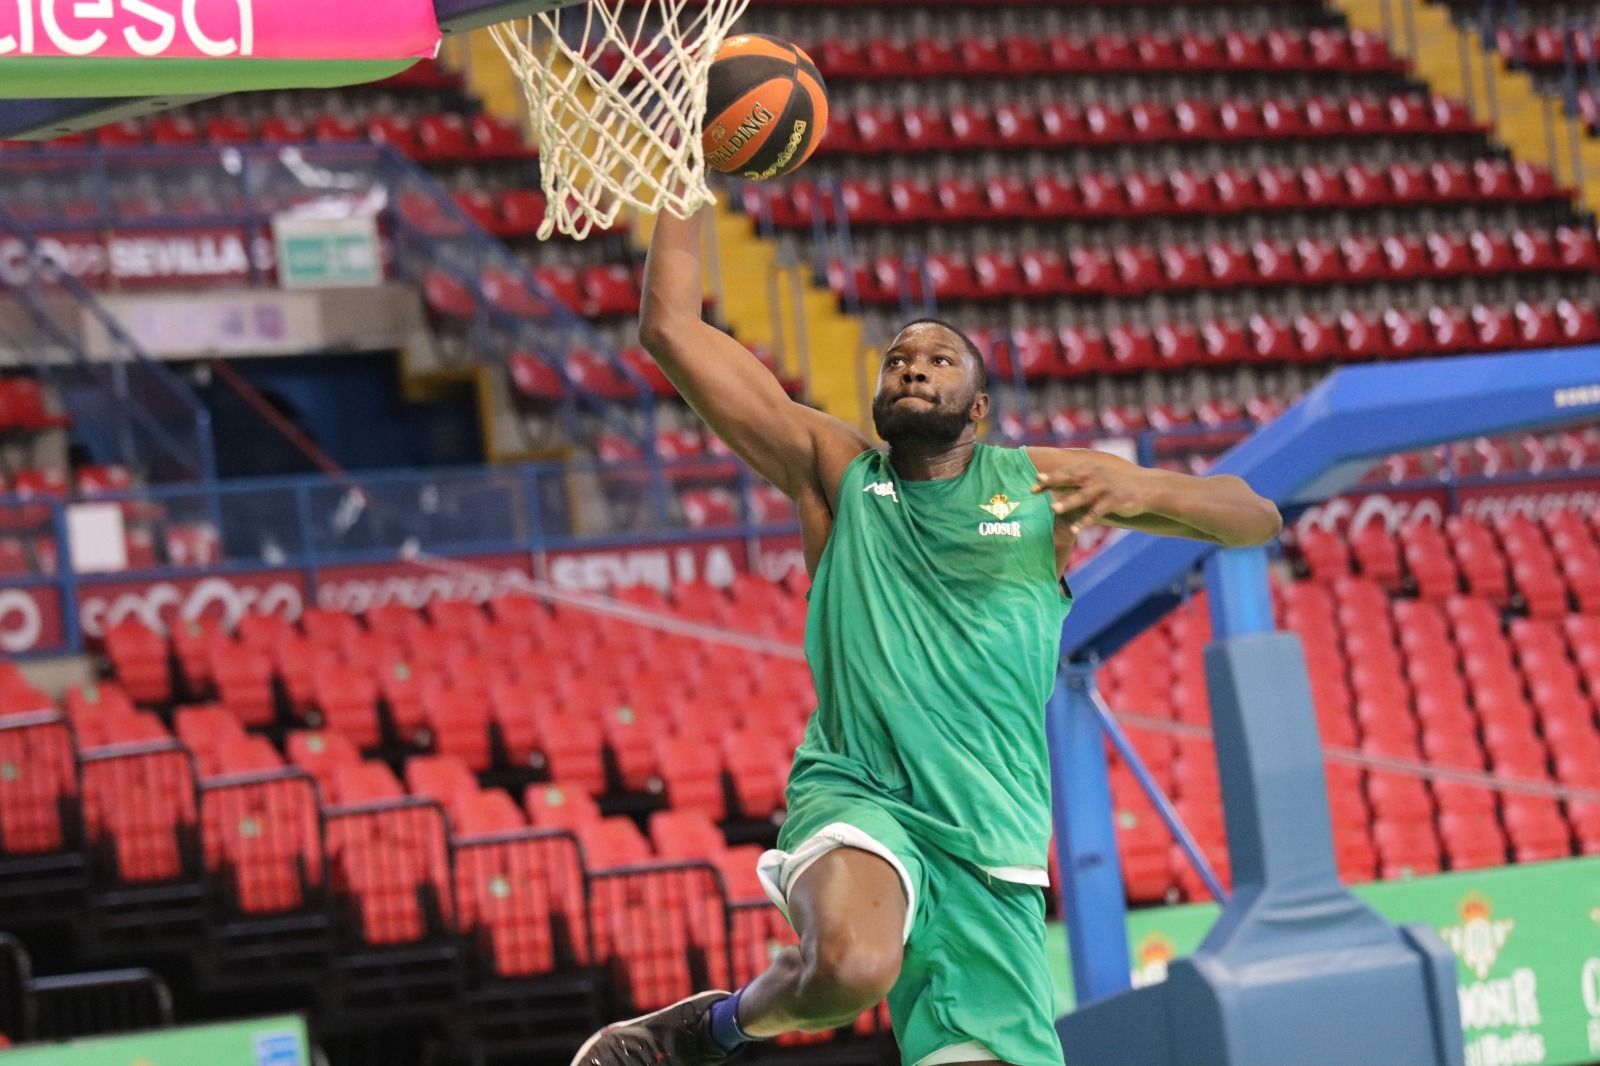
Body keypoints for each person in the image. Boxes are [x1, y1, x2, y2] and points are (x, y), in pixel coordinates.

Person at [571, 210, 1282, 1066]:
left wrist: (1125, 490)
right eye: (899, 359)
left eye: (939, 359)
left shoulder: (1041, 485)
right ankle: (710, 1030)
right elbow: (671, 329)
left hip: (995, 839)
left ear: (977, 406)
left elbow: (1254, 516)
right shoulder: (832, 472)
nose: (914, 366)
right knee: (850, 967)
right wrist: (682, 186)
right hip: (863, 792)